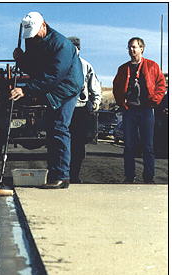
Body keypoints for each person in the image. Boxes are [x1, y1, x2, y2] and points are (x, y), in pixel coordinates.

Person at [10, 12, 84, 189]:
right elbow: (34, 67)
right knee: (51, 130)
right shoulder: (32, 39)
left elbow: (53, 75)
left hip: (67, 87)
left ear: (44, 25)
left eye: (35, 33)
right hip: (51, 87)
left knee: (59, 127)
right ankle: (54, 172)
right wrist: (21, 59)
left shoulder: (62, 45)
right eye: (30, 35)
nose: (32, 37)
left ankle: (62, 177)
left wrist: (26, 90)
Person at [113, 37, 166, 183]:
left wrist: (154, 100)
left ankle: (149, 177)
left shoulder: (152, 66)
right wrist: (121, 102)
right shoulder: (123, 68)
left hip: (146, 110)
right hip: (130, 111)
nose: (131, 50)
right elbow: (116, 87)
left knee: (148, 145)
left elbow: (161, 85)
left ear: (141, 48)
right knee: (129, 145)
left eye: (134, 47)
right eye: (129, 47)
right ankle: (129, 177)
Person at [68, 36, 101, 183]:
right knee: (62, 144)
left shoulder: (86, 65)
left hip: (81, 109)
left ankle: (74, 175)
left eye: (75, 48)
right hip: (65, 110)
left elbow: (95, 87)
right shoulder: (61, 65)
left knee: (78, 145)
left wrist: (95, 104)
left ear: (79, 49)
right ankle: (62, 174)